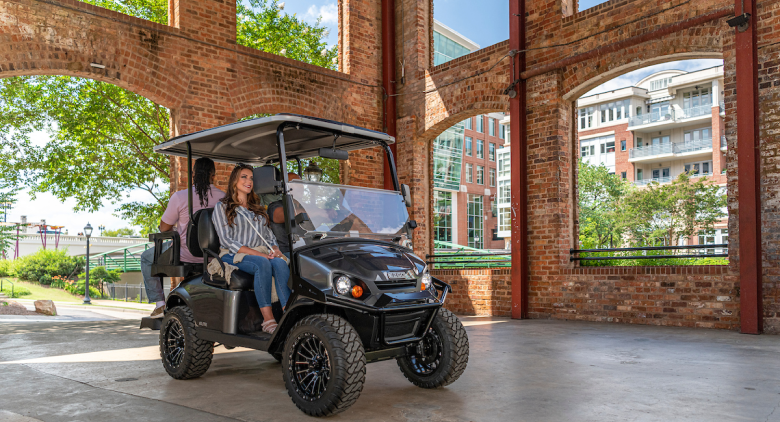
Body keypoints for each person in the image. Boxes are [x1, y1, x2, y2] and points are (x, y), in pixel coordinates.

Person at [141, 157, 225, 318]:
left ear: (193, 174)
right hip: (214, 256)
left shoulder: (180, 197)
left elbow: (164, 228)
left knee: (146, 258)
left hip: (185, 254)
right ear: (213, 175)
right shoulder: (224, 197)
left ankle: (159, 304)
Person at [213, 164, 291, 334]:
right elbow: (227, 240)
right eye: (244, 177)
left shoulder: (256, 209)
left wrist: (275, 249)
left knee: (280, 263)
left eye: (251, 178)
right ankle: (268, 320)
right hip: (232, 254)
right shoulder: (222, 207)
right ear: (234, 180)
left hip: (261, 251)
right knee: (262, 263)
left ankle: (288, 315)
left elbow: (269, 236)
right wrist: (258, 253)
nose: (248, 181)